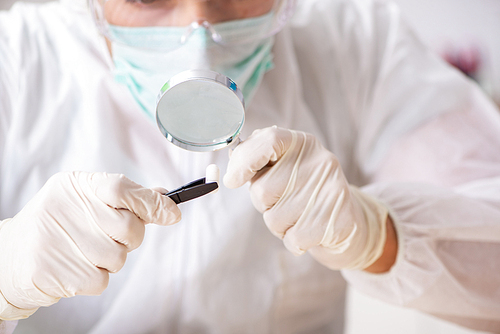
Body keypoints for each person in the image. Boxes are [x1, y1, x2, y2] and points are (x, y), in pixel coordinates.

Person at [1, 0, 499, 333]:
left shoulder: (356, 42)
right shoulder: (15, 60)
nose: (199, 34)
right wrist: (8, 271)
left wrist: (376, 236)